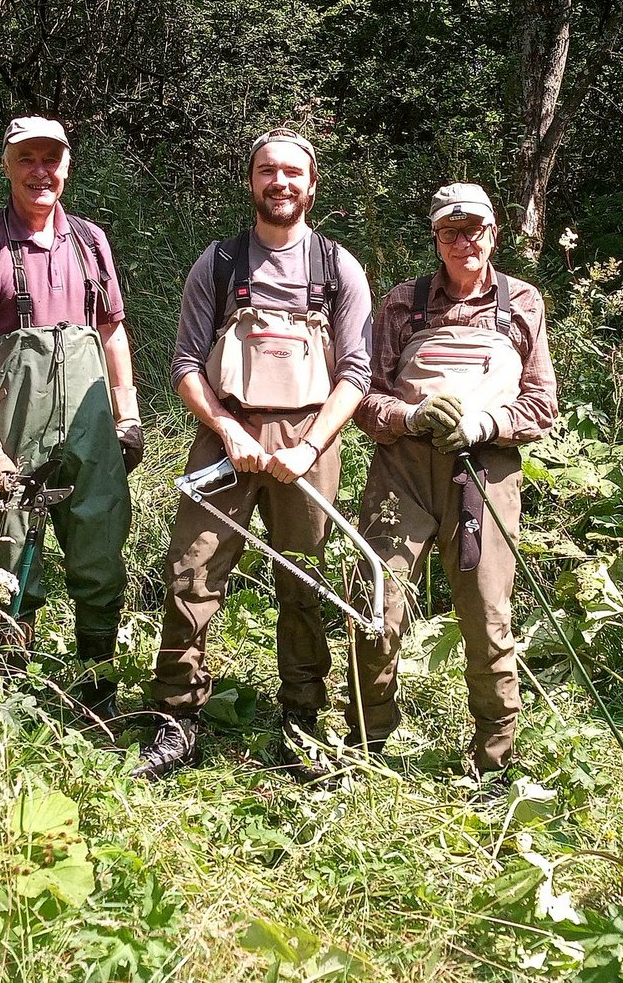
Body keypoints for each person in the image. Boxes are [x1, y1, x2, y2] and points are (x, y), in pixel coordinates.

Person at [134, 127, 373, 780]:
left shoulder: (337, 267)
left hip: (307, 441)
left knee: (302, 583)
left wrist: (313, 444)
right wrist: (229, 430)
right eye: (268, 171)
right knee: (191, 578)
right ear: (251, 182)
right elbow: (185, 364)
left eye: (294, 173)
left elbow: (356, 373)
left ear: (313, 185)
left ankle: (302, 723)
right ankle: (177, 724)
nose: (281, 183)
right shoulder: (219, 263)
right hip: (225, 436)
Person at [347, 183, 558, 780]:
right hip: (404, 469)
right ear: (435, 239)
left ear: (494, 233)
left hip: (485, 472)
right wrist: (409, 416)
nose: (463, 242)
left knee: (486, 612)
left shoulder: (523, 305)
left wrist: (486, 421)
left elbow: (542, 406)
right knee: (374, 602)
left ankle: (494, 761)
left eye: (474, 231)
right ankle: (369, 739)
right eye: (450, 233)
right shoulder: (401, 304)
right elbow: (364, 398)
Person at [0, 116, 139, 719]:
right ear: (7, 165)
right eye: (27, 159)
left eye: (50, 159)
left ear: (66, 166)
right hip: (11, 429)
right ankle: (14, 695)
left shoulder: (90, 241)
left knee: (101, 555)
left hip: (91, 428)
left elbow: (111, 332)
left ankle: (97, 688)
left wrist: (127, 417)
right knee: (9, 561)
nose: (40, 172)